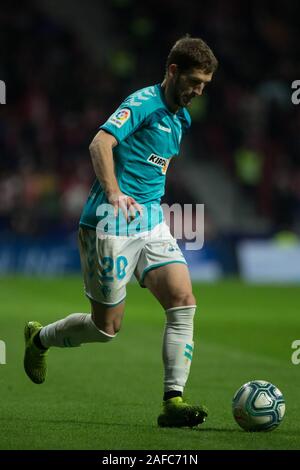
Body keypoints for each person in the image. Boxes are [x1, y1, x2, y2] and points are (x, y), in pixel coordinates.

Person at [24, 35, 218, 428]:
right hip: (108, 224)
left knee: (183, 301)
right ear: (173, 71)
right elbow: (101, 143)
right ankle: (39, 338)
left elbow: (153, 167)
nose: (198, 91)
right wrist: (113, 192)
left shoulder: (182, 118)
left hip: (151, 224)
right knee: (106, 327)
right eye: (194, 81)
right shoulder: (143, 103)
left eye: (204, 85)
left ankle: (173, 401)